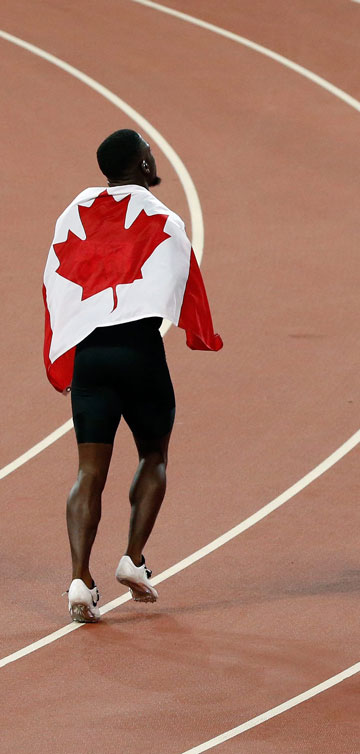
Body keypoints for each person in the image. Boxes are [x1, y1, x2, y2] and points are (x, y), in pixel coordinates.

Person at [60, 130, 182, 622]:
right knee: (153, 453)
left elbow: (56, 282)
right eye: (150, 152)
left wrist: (62, 349)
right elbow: (182, 280)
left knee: (89, 472)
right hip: (139, 352)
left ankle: (78, 579)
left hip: (89, 354)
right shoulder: (161, 217)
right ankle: (133, 558)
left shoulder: (74, 212)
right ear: (143, 164)